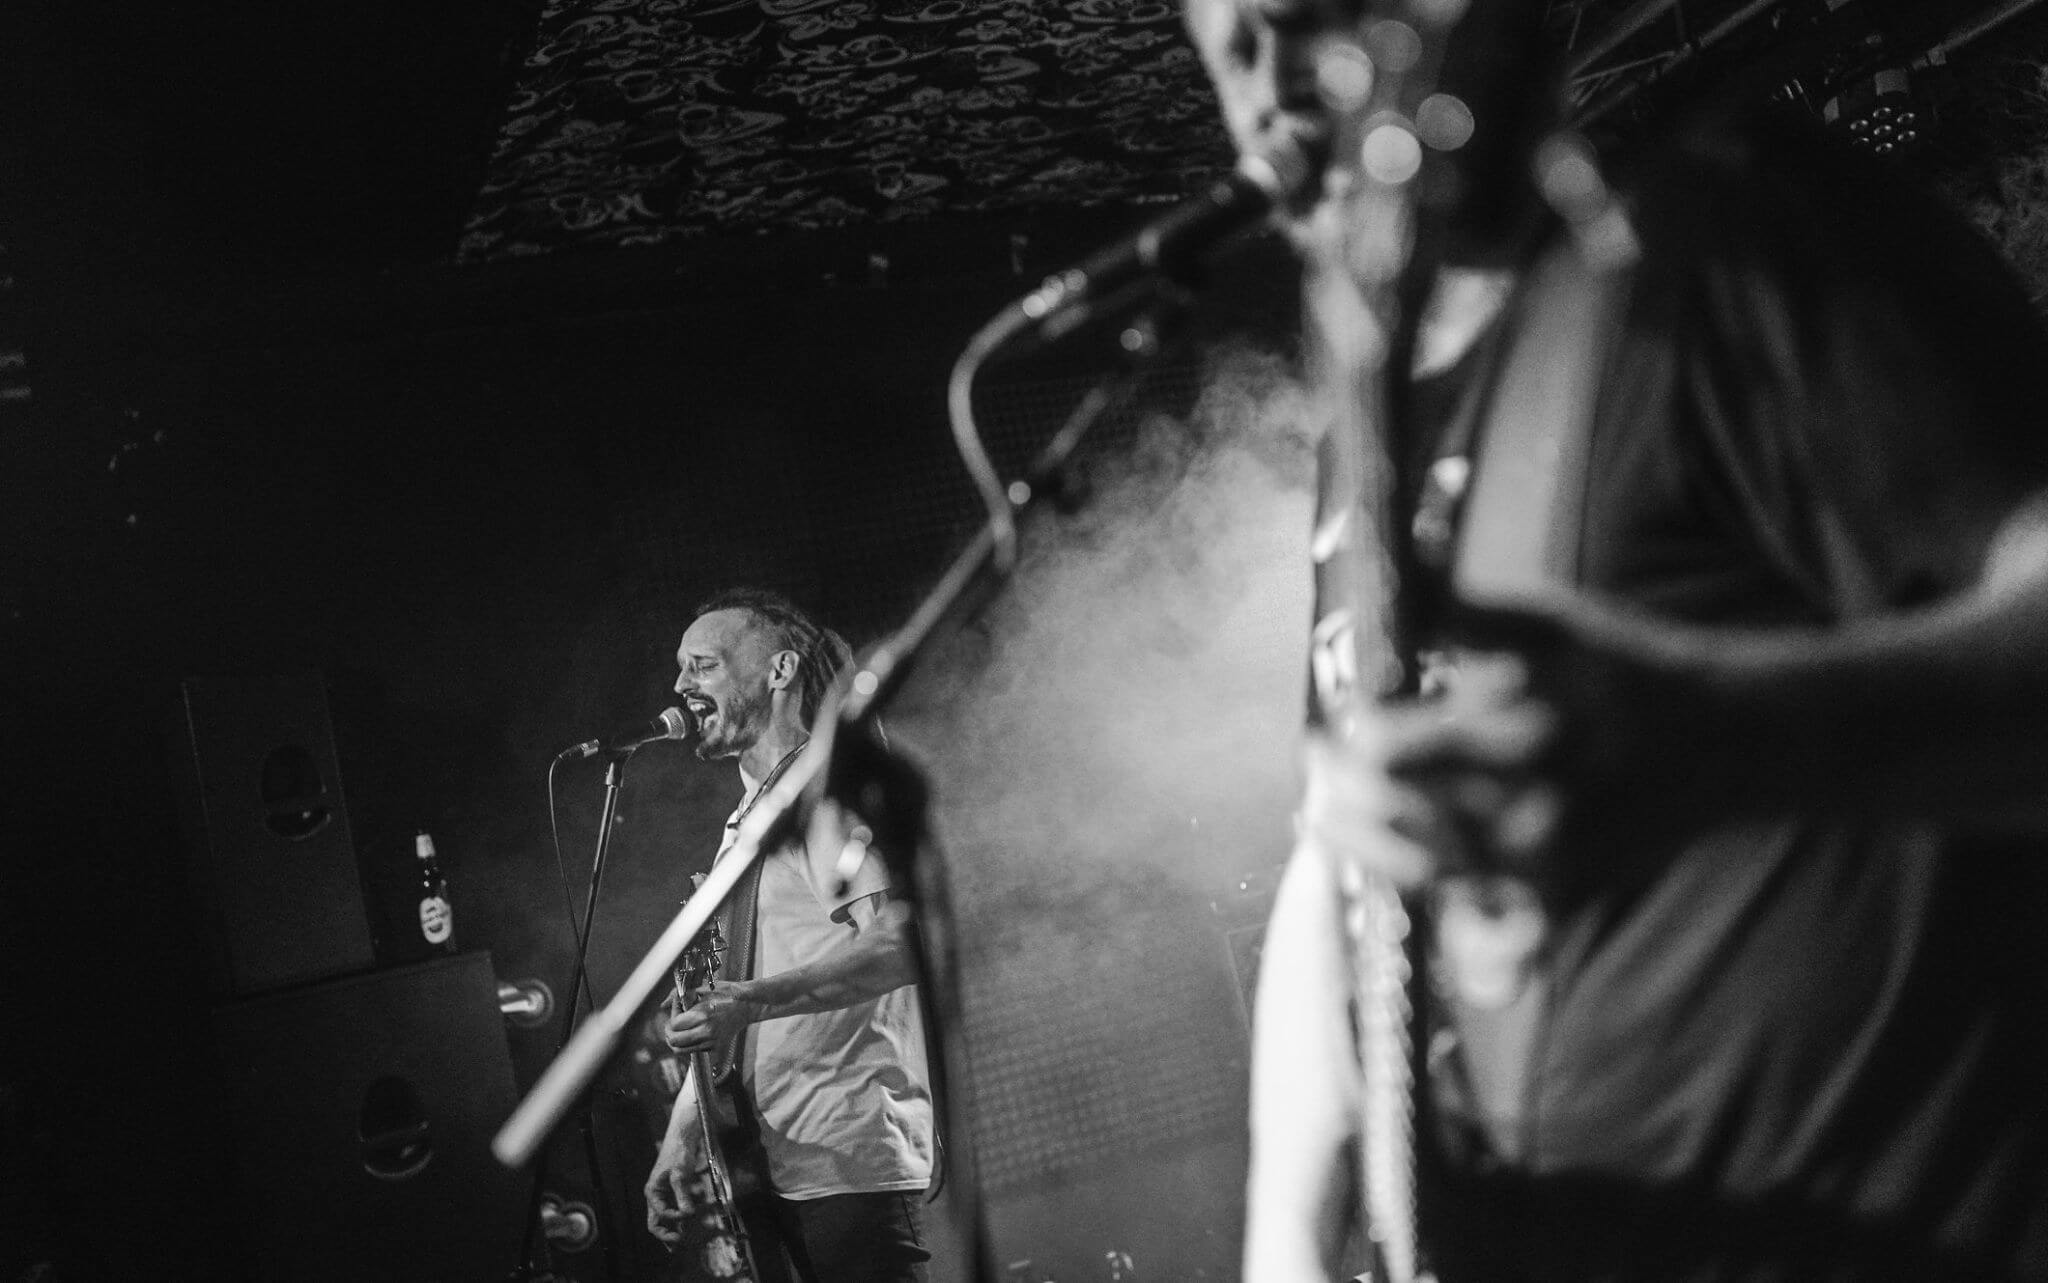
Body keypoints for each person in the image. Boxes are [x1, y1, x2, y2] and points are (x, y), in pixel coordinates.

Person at [1184, 1, 2048, 1280]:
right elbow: (1344, 856)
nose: (1270, 89)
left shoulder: (1723, 237)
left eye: (1302, 22)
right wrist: (1284, 1246)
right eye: (1232, 50)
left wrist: (1725, 736)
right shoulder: (1359, 452)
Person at [643, 587, 934, 1283]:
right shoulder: (751, 820)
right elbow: (724, 1003)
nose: (681, 686)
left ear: (778, 671)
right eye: (681, 669)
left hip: (846, 1156)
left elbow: (903, 943)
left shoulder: (824, 793)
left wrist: (751, 1000)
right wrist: (682, 1134)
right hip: (770, 1167)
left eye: (703, 665)